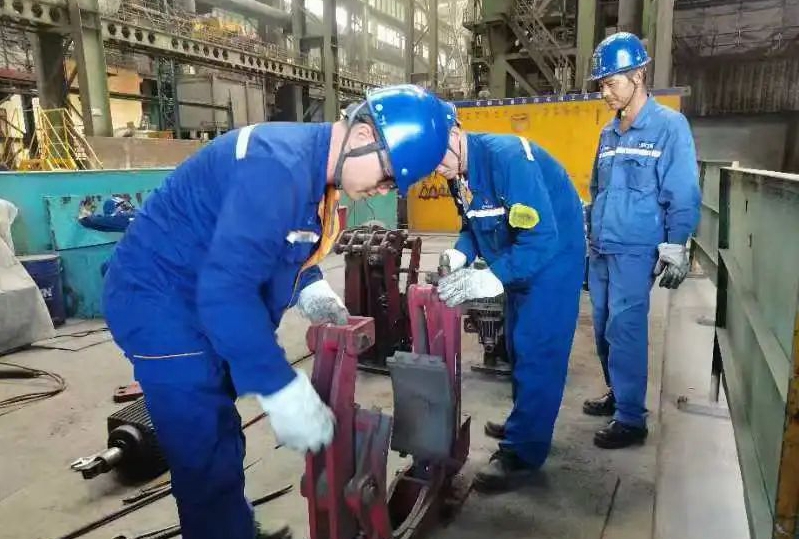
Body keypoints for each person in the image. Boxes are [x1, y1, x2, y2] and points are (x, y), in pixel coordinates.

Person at [101, 84, 450, 539]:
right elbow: (226, 293)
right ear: (364, 134)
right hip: (160, 305)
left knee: (221, 433)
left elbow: (276, 243)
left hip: (196, 294)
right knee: (201, 443)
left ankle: (232, 528)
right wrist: (279, 385)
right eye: (387, 176)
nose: (383, 189)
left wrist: (310, 286)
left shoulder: (311, 170)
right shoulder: (277, 168)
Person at [434, 101, 586, 492]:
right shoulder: (457, 170)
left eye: (435, 158)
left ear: (455, 134)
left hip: (552, 259)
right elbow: (473, 225)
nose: (435, 169)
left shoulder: (509, 158)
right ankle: (526, 421)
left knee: (538, 350)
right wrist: (459, 253)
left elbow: (541, 238)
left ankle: (523, 454)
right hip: (517, 257)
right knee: (517, 347)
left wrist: (493, 277)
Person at [583, 32, 701, 449]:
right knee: (602, 327)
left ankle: (631, 419)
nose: (605, 93)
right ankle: (618, 393)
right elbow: (597, 189)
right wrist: (589, 233)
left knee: (626, 329)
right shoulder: (608, 134)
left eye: (611, 83)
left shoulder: (669, 126)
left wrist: (677, 243)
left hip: (636, 250)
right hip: (602, 248)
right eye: (601, 85)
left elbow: (682, 190)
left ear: (638, 76)